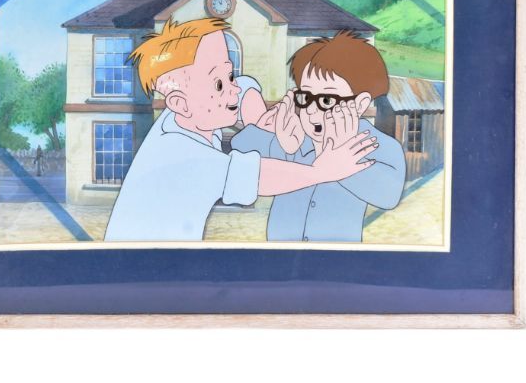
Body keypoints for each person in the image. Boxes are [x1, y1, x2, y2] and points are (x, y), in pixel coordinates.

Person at [104, 18, 379, 241]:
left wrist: (256, 116)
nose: (233, 88)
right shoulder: (182, 154)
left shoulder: (182, 116)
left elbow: (244, 87)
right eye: (219, 84)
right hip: (144, 264)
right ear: (180, 103)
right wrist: (323, 171)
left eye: (230, 74)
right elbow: (258, 176)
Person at [231, 31, 406, 242]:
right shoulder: (295, 137)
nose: (312, 110)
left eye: (326, 101)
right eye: (305, 97)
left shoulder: (378, 145)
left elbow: (389, 195)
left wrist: (337, 160)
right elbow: (240, 146)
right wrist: (266, 129)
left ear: (360, 104)